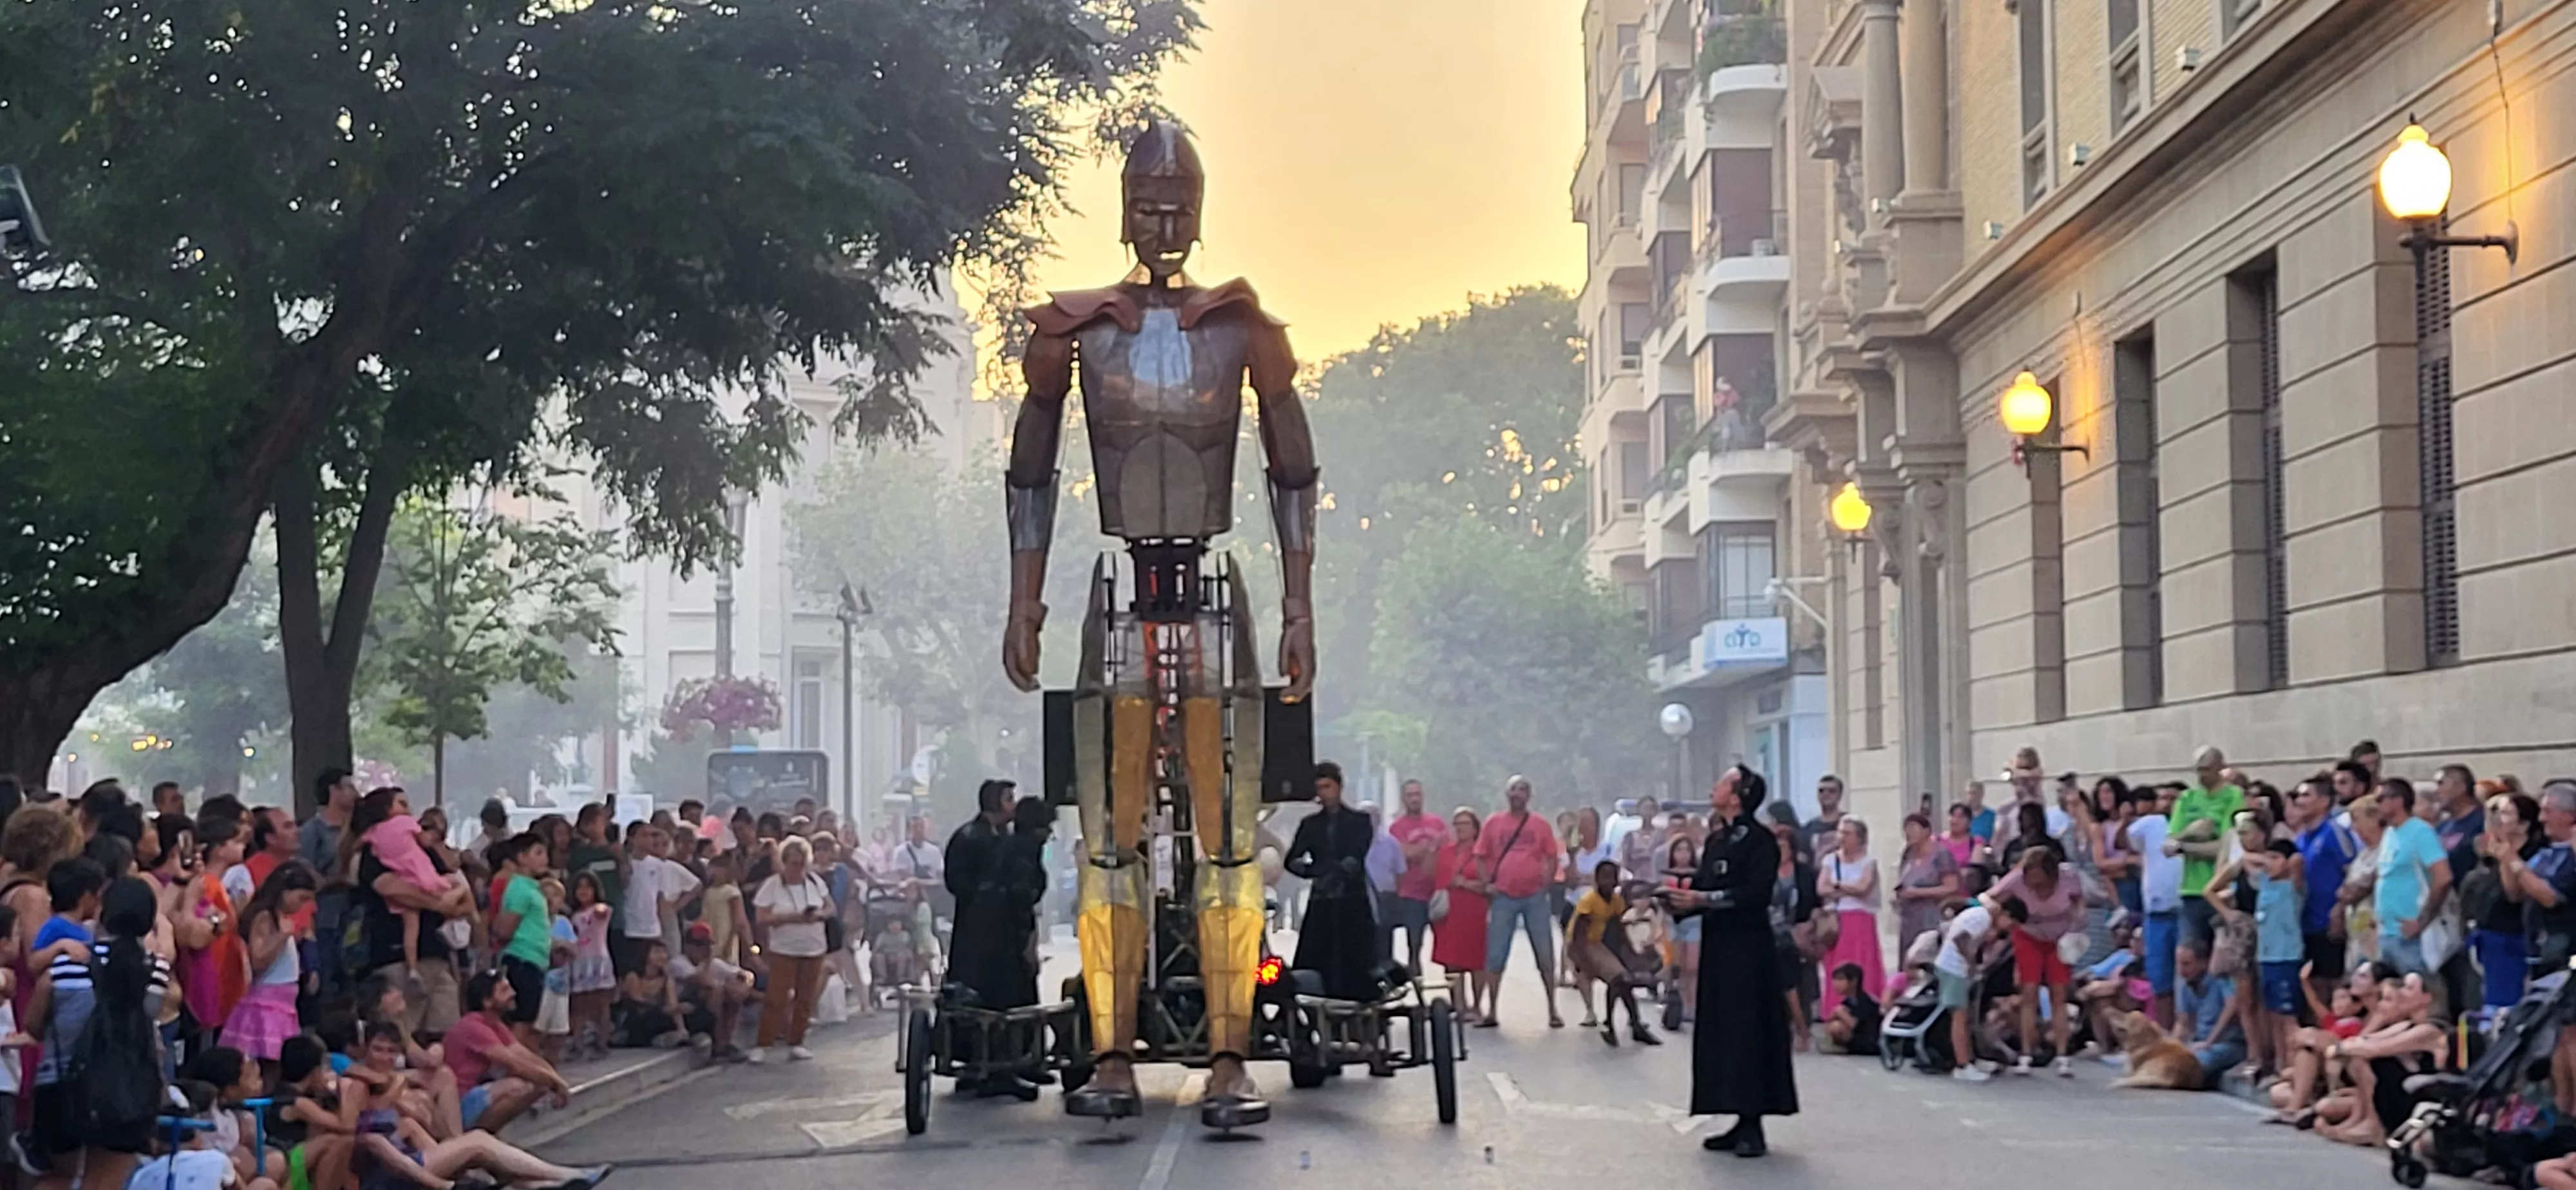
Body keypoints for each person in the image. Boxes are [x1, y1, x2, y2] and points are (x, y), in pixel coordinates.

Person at [1667, 766, 1797, 1159]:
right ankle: (1734, 1114)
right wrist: (1675, 902)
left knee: (1749, 1031)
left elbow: (1755, 894)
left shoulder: (1760, 842)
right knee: (1721, 1030)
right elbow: (1706, 888)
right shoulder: (1718, 839)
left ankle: (1753, 1124)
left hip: (1749, 951)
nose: (1714, 787)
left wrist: (1705, 901)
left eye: (1722, 782)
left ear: (1738, 795)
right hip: (1719, 948)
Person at [31, 876, 171, 1190]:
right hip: (127, 1092)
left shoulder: (67, 964)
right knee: (105, 1181)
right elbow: (150, 1015)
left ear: (102, 913)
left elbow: (34, 1025)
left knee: (58, 1178)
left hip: (61, 1088)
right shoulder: (156, 969)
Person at [1982, 846, 2085, 1075]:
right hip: (2029, 936)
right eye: (2031, 880)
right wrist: (1995, 912)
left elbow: (2079, 902)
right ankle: (2026, 1054)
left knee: (2059, 993)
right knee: (2029, 992)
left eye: (2041, 881)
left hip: (2060, 938)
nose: (2036, 887)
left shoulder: (2069, 877)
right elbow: (1987, 896)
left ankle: (2062, 1055)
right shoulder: (2016, 880)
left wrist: (2078, 924)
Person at [1473, 775, 1564, 1029]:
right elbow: (1480, 855)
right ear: (1506, 794)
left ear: (1529, 795)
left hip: (1534, 897)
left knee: (1545, 954)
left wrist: (1546, 882)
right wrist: (1486, 884)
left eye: (1523, 789)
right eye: (1514, 789)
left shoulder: (1539, 824)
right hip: (1503, 896)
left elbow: (1551, 856)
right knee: (1495, 955)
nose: (1518, 794)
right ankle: (1492, 1010)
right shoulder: (1494, 823)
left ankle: (1552, 1009)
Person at [1284, 763, 1380, 1001]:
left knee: (1357, 957)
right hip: (1322, 902)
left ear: (1339, 787)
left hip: (1352, 900)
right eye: (1319, 788)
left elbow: (1356, 855)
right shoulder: (1311, 824)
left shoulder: (1360, 821)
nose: (1324, 793)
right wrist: (1314, 873)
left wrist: (1335, 872)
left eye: (1327, 787)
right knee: (1318, 957)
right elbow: (1292, 859)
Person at [443, 970, 568, 1136]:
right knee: (518, 1087)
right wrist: (556, 1085)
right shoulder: (472, 1025)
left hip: (476, 1092)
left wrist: (557, 1080)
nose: (513, 994)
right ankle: (478, 1137)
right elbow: (516, 1064)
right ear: (487, 1002)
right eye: (504, 991)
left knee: (537, 1082)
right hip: (458, 1101)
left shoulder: (494, 1024)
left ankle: (486, 1136)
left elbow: (526, 1056)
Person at [222, 860, 319, 1067]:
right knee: (266, 1064)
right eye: (301, 898)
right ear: (284, 891)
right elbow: (257, 961)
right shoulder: (265, 916)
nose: (302, 906)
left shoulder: (280, 917)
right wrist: (282, 937)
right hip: (266, 1002)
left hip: (283, 1002)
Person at [750, 835, 835, 1062]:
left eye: (801, 864)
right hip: (784, 949)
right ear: (785, 862)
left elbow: (830, 908)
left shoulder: (815, 882)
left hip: (813, 948)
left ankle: (797, 1040)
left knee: (805, 998)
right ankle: (764, 1043)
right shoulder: (773, 886)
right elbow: (762, 917)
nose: (797, 869)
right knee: (776, 997)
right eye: (793, 863)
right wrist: (792, 917)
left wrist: (818, 915)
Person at [1564, 859, 1658, 1047]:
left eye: (1612, 877)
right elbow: (1578, 934)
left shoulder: (1616, 900)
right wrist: (1582, 961)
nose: (1608, 881)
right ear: (1597, 880)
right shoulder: (1589, 901)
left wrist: (1630, 951)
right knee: (1618, 979)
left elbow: (1618, 926)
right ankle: (1616, 1025)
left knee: (1623, 981)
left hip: (1597, 943)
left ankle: (1630, 1024)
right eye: (1604, 877)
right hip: (1582, 944)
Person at [2369, 779, 2453, 978]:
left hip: (2411, 935)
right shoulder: (2389, 833)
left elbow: (2443, 878)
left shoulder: (2420, 831)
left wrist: (2421, 922)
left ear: (2398, 801)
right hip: (2386, 932)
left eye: (2380, 799)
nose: (2376, 805)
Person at [2167, 746, 2246, 954]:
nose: (2201, 775)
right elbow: (2169, 844)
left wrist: (2183, 847)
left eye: (2207, 769)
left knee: (2224, 958)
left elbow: (2228, 847)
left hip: (2223, 890)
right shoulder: (2187, 798)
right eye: (2198, 770)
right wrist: (2192, 833)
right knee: (2188, 955)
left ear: (2220, 767)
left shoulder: (2233, 796)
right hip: (2191, 890)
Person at [1814, 817, 1884, 1021]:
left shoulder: (1868, 862)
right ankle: (1835, 1011)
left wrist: (1837, 887)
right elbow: (1821, 888)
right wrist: (1847, 889)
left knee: (1863, 964)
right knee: (1836, 965)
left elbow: (1864, 888)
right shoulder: (1830, 860)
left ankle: (1864, 1010)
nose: (1842, 837)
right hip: (1838, 921)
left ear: (1860, 838)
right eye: (1840, 832)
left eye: (1847, 833)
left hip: (1861, 920)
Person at [489, 832, 555, 1046]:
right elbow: (505, 928)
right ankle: (514, 1069)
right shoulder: (520, 889)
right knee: (522, 1021)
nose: (544, 858)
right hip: (522, 959)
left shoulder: (531, 888)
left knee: (529, 1020)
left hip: (534, 960)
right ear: (522, 857)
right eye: (538, 853)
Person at [1428, 809, 1493, 1024]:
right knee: (1451, 960)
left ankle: (1476, 1005)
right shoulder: (1446, 851)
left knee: (1476, 960)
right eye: (1456, 823)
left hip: (1474, 910)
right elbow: (1433, 875)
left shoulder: (1482, 853)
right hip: (1449, 912)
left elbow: (1490, 884)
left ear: (1475, 828)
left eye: (1465, 823)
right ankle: (1459, 1004)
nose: (1460, 828)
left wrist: (1466, 884)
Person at [1938, 899, 2014, 1082]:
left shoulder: (1984, 920)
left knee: (1969, 1017)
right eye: (2012, 924)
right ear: (2005, 915)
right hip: (1954, 967)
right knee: (1959, 1017)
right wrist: (1971, 963)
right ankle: (1962, 1066)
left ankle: (1971, 1058)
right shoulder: (1981, 917)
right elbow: (1960, 940)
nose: (2009, 930)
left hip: (1960, 969)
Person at [1385, 780, 1446, 974]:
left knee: (1447, 949)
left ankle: (1456, 997)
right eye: (1410, 795)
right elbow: (1404, 853)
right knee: (1415, 945)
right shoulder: (1397, 827)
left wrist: (1422, 852)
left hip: (1438, 893)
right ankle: (1418, 992)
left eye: (1417, 794)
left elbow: (1447, 852)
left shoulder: (1436, 823)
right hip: (1412, 895)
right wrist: (1430, 848)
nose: (1414, 799)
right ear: (1404, 799)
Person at [2172, 940, 2244, 1088]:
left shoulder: (2219, 981)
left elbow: (2232, 1006)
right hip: (2199, 1042)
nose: (2181, 970)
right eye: (2179, 964)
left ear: (2203, 963)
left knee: (2201, 1060)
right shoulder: (2185, 986)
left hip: (2227, 1043)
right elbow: (2184, 1023)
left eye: (2186, 964)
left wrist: (2210, 1041)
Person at [1892, 812, 1960, 963]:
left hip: (1931, 915)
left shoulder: (1941, 854)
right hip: (1909, 918)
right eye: (1906, 829)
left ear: (1926, 831)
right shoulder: (1908, 854)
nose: (1909, 833)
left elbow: (1952, 887)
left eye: (1913, 828)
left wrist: (1919, 893)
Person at [564, 873, 617, 1061]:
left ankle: (603, 1041)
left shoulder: (601, 910)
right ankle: (578, 1042)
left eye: (588, 887)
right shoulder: (573, 916)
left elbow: (602, 911)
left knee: (601, 1003)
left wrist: (599, 908)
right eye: (579, 887)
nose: (584, 891)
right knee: (579, 1004)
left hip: (597, 960)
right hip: (579, 961)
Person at [1662, 834, 1703, 1027]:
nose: (1683, 854)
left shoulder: (1698, 874)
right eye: (1679, 850)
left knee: (1693, 966)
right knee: (1676, 965)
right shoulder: (1667, 875)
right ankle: (1676, 1001)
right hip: (1673, 922)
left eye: (1687, 850)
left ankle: (1693, 1004)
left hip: (1694, 921)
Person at [1820, 963, 1880, 1057]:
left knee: (1837, 1026)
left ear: (1854, 981)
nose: (1836, 983)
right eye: (1835, 979)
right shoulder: (1847, 1002)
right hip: (1857, 1039)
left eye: (1840, 979)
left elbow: (1861, 1026)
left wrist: (1843, 1015)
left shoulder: (1868, 1002)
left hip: (1870, 1042)